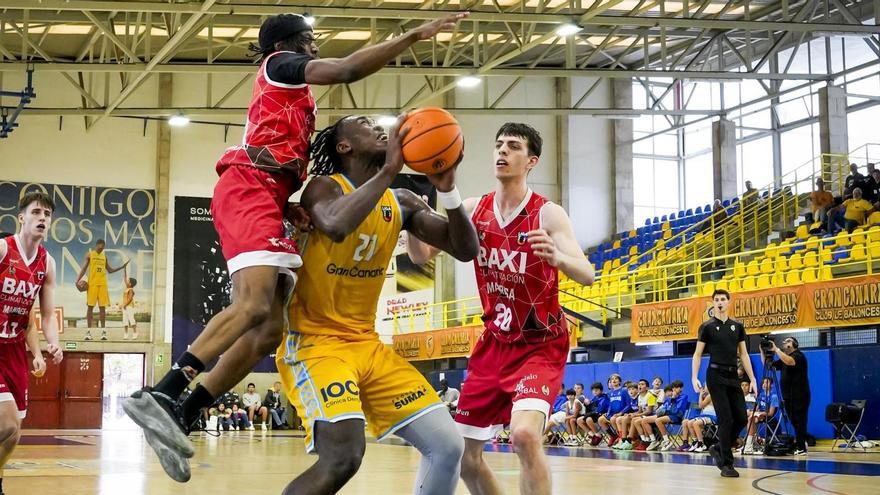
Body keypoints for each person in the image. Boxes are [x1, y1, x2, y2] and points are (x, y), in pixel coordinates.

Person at [122, 12, 469, 483]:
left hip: (270, 195)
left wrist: (286, 203)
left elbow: (462, 247)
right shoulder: (278, 65)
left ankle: (186, 413)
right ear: (285, 44)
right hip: (249, 188)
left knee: (268, 330)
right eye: (309, 41)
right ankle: (163, 392)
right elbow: (347, 70)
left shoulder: (302, 105)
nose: (314, 49)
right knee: (253, 304)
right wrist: (412, 35)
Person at [274, 114, 478, 495]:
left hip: (368, 345)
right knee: (343, 457)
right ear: (344, 146)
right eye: (366, 124)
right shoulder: (324, 188)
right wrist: (389, 170)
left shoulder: (401, 202)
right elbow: (335, 225)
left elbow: (465, 248)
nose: (380, 128)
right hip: (316, 346)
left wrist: (448, 189)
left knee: (448, 446)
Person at [408, 122, 594, 495]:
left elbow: (587, 274)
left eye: (513, 146)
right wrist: (411, 216)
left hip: (540, 344)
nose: (502, 151)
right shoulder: (473, 209)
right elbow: (420, 255)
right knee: (464, 457)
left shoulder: (547, 214)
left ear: (532, 161)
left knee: (524, 435)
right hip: (494, 344)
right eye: (499, 144)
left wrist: (557, 257)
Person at [0, 194, 64, 495]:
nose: (42, 217)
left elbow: (45, 316)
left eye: (47, 214)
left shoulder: (47, 263)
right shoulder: (3, 249)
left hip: (14, 349)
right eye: (36, 211)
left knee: (13, 434)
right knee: (7, 423)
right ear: (21, 217)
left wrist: (52, 344)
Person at [692, 289, 758, 478]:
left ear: (729, 302)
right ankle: (727, 463)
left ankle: (719, 447)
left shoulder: (737, 326)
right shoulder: (707, 327)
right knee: (725, 419)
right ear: (713, 303)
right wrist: (694, 377)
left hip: (733, 375)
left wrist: (753, 378)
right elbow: (697, 354)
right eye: (716, 299)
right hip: (715, 375)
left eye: (723, 299)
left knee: (742, 418)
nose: (720, 302)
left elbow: (743, 354)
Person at [75, 238, 129, 341]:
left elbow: (110, 270)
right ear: (97, 245)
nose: (101, 248)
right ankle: (88, 332)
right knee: (90, 307)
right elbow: (84, 268)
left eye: (103, 247)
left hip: (103, 285)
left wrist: (121, 267)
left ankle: (103, 332)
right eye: (100, 246)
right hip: (92, 284)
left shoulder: (104, 257)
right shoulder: (90, 255)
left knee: (102, 308)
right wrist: (77, 280)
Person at [769, 337, 810, 455]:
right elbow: (769, 365)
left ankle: (801, 447)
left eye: (787, 341)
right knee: (794, 421)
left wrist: (776, 349)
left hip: (799, 395)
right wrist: (763, 351)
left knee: (800, 421)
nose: (784, 343)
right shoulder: (784, 358)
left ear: (794, 344)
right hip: (787, 396)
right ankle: (801, 442)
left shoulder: (799, 356)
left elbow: (789, 362)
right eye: (783, 342)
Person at [744, 377, 779, 455]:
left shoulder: (774, 396)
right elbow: (756, 409)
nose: (764, 384)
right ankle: (753, 442)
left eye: (767, 382)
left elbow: (771, 413)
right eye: (763, 383)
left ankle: (749, 444)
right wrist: (753, 412)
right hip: (758, 415)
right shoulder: (761, 395)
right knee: (748, 415)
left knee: (751, 419)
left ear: (771, 385)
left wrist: (759, 413)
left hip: (768, 417)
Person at [679, 386, 715, 453]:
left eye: (705, 386)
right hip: (704, 416)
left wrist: (700, 394)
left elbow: (700, 406)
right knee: (688, 422)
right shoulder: (707, 396)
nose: (704, 388)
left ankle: (701, 443)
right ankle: (695, 442)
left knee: (696, 423)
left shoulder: (710, 396)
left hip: (712, 416)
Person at [121, 265, 138, 340]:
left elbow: (130, 299)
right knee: (125, 320)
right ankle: (126, 333)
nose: (126, 281)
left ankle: (135, 332)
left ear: (130, 284)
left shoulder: (130, 290)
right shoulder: (127, 288)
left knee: (131, 319)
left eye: (128, 281)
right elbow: (125, 278)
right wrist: (124, 270)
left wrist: (125, 304)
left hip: (129, 306)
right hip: (125, 306)